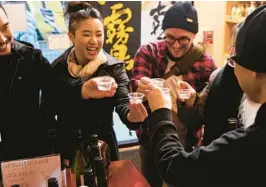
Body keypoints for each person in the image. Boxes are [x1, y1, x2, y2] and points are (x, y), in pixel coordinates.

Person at [143, 5, 266, 187]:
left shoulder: (249, 144)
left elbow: (175, 168)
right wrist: (192, 102)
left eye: (234, 57)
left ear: (253, 68)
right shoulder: (149, 52)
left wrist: (161, 111)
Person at [46, 2, 146, 163]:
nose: (94, 41)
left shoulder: (113, 67)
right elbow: (49, 107)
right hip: (67, 146)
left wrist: (133, 115)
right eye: (86, 34)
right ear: (71, 36)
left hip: (102, 145)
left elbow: (123, 102)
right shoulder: (58, 68)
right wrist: (82, 90)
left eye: (99, 34)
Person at [131, 2, 217, 186]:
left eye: (183, 39)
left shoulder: (207, 63)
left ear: (194, 35)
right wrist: (141, 87)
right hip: (151, 140)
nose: (176, 45)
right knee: (149, 181)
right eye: (169, 38)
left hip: (188, 143)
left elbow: (208, 111)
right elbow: (135, 85)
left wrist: (193, 100)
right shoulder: (148, 53)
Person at [177, 22, 247, 146]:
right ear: (231, 47)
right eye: (236, 46)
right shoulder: (217, 76)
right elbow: (196, 120)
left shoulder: (259, 86)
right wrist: (191, 102)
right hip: (212, 155)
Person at [0, 4, 54, 161]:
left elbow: (58, 91)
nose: (3, 39)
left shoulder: (30, 58)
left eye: (5, 27)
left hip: (36, 149)